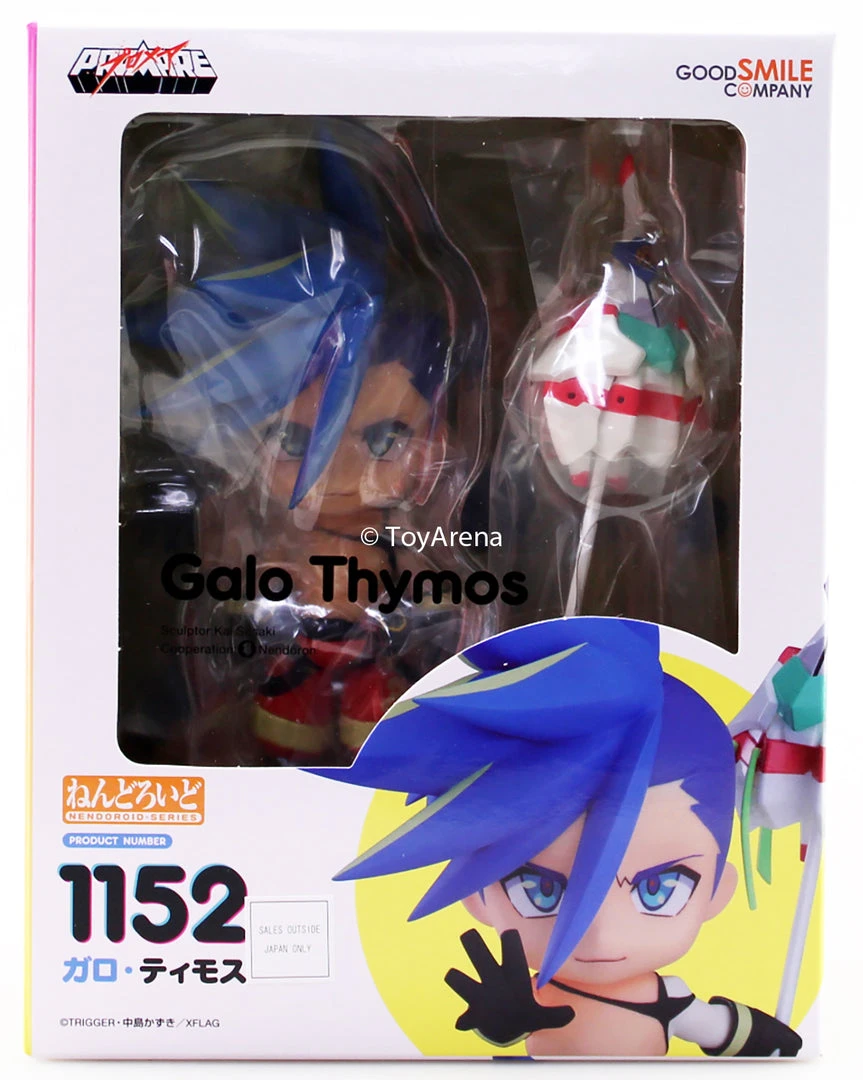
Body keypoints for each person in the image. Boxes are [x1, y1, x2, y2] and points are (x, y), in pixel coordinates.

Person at [309, 617, 802, 1056]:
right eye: (541, 890)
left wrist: (782, 1046)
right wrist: (501, 1023)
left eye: (659, 889)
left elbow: (733, 1034)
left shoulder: (668, 999)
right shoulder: (535, 996)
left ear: (717, 890)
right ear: (478, 896)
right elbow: (503, 1033)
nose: (600, 932)